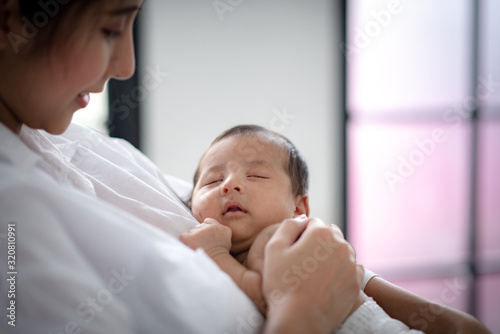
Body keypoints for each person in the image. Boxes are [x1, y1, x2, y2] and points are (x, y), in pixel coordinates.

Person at [0, 1, 371, 333]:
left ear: (300, 206)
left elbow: (359, 278)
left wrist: (426, 314)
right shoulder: (14, 223)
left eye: (256, 174)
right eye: (110, 28)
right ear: (8, 19)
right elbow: (276, 296)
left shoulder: (89, 144)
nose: (128, 65)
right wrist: (304, 314)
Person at [181, 124, 491, 334]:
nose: (230, 185)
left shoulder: (286, 240)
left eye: (257, 176)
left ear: (299, 208)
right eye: (212, 181)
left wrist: (215, 252)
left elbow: (264, 299)